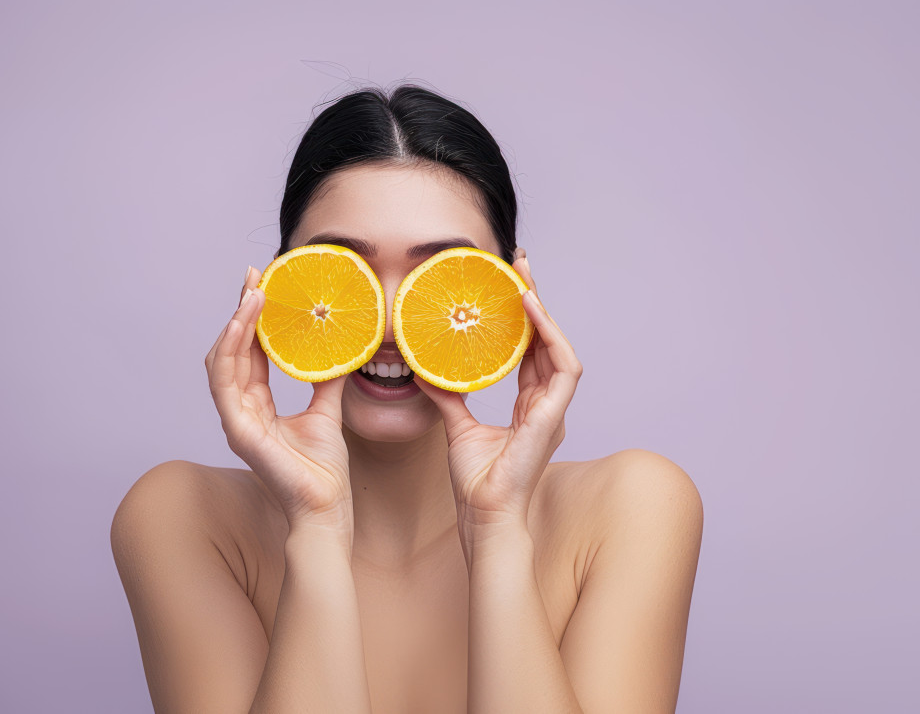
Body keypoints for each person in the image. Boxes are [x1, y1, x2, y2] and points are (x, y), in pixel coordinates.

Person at [111, 82, 704, 714]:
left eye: (437, 273)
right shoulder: (184, 517)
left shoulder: (633, 508)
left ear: (514, 292)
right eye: (345, 268)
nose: (391, 323)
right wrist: (315, 523)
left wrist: (498, 528)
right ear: (277, 287)